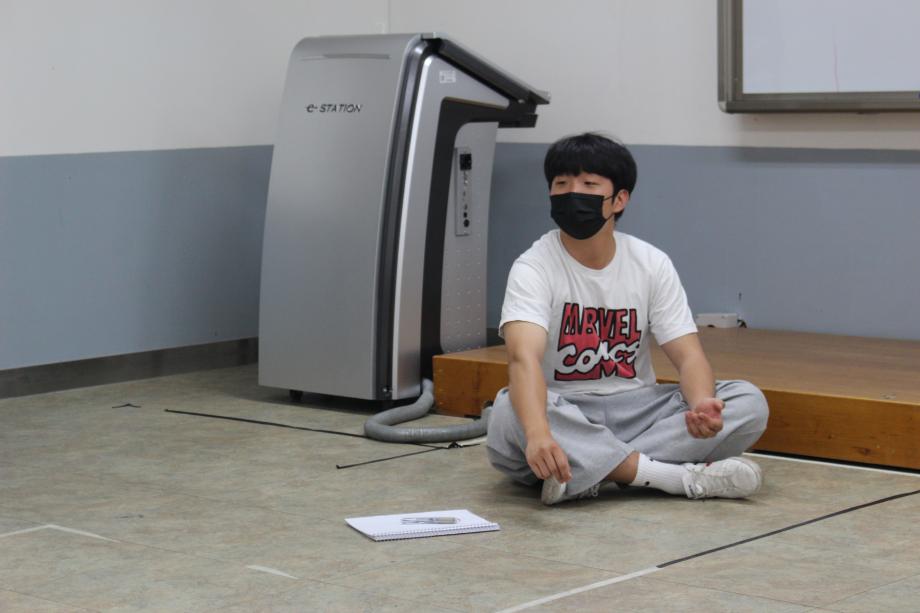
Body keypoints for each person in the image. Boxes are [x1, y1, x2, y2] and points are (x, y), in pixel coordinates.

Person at [486, 132, 769, 505]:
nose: (572, 193)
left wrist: (702, 405)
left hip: (638, 408)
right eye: (561, 184)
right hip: (563, 409)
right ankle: (672, 477)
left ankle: (591, 471)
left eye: (588, 184)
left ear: (619, 199)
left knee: (747, 401)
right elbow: (523, 358)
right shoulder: (533, 267)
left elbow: (689, 357)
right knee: (509, 410)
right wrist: (538, 433)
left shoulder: (651, 263)